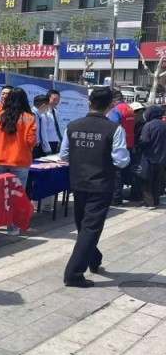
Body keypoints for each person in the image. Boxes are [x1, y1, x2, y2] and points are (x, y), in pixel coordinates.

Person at [60, 87, 130, 287]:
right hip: (101, 184)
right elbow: (121, 160)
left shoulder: (72, 126)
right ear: (110, 105)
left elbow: (64, 155)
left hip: (78, 182)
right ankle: (73, 274)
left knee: (83, 226)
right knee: (90, 228)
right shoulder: (114, 129)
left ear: (89, 102)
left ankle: (94, 258)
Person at [0, 88, 37, 235]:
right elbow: (31, 141)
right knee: (16, 196)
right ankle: (13, 227)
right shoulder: (29, 118)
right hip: (20, 162)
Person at [107, 89, 136, 204]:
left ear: (113, 100)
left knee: (116, 172)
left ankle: (116, 198)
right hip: (129, 143)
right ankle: (122, 193)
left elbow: (111, 127)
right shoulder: (129, 108)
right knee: (125, 171)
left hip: (118, 144)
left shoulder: (116, 110)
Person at [137, 106, 166, 208]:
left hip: (149, 157)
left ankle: (149, 203)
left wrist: (138, 146)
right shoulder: (164, 124)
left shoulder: (148, 125)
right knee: (157, 181)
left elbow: (144, 141)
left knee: (146, 180)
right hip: (162, 158)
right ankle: (156, 201)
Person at [42, 89, 64, 153]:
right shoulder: (43, 111)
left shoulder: (55, 111)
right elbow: (43, 131)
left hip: (56, 142)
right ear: (48, 99)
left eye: (58, 100)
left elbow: (57, 128)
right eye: (54, 99)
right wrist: (46, 146)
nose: (56, 102)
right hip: (47, 143)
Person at [31, 95, 52, 159]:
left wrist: (47, 148)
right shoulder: (30, 115)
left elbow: (43, 133)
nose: (48, 109)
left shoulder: (42, 116)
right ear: (43, 105)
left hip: (39, 147)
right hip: (31, 148)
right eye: (47, 106)